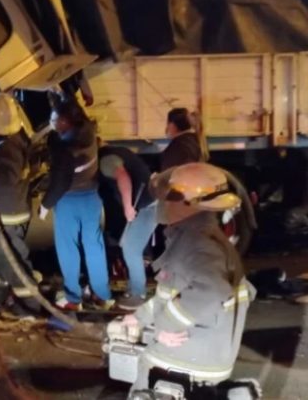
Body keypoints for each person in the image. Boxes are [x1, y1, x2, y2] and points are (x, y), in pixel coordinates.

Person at [119, 163, 255, 394]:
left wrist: (164, 326)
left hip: (190, 362)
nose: (163, 202)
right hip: (202, 348)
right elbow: (172, 292)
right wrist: (139, 317)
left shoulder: (197, 243)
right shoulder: (194, 236)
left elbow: (212, 291)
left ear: (186, 203)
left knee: (144, 377)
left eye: (170, 195)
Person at [42, 98, 113, 311]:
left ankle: (73, 298)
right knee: (94, 246)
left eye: (55, 119)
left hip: (69, 201)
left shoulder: (65, 148)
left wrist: (46, 205)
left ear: (65, 122)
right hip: (91, 196)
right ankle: (101, 295)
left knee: (68, 248)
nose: (52, 122)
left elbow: (60, 181)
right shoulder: (88, 131)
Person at [0, 93, 40, 316]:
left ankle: (30, 306)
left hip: (6, 217)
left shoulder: (8, 148)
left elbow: (7, 176)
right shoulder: (18, 140)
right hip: (8, 214)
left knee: (12, 263)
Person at [99, 143, 156, 310]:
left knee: (131, 250)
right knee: (127, 245)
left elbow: (123, 177)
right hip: (150, 201)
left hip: (147, 206)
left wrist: (127, 207)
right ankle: (134, 288)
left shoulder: (106, 161)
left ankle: (138, 294)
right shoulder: (118, 150)